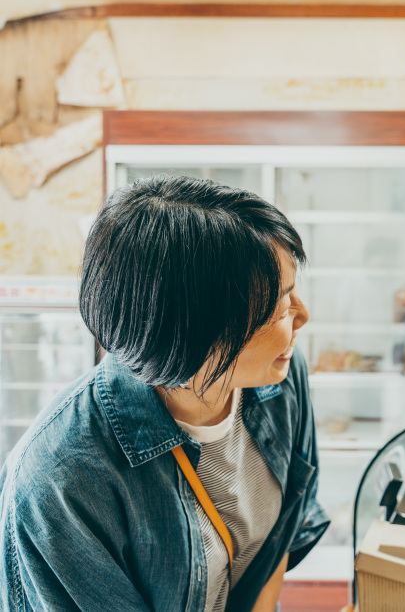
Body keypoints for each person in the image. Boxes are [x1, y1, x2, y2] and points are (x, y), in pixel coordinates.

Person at [1, 176, 329, 611]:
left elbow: (282, 536)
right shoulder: (59, 483)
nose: (303, 316)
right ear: (202, 334)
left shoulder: (279, 378)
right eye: (283, 305)